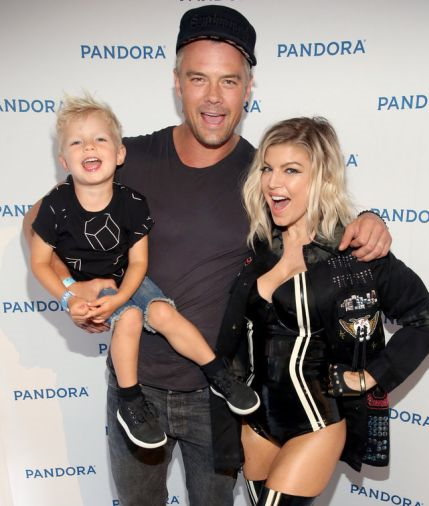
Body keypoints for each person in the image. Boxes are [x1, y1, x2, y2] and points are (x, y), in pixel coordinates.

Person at [23, 6, 392, 506]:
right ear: (177, 83)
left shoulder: (263, 174)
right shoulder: (125, 158)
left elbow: (320, 214)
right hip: (135, 389)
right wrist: (73, 288)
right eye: (198, 79)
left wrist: (368, 219)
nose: (214, 97)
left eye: (229, 81)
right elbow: (37, 221)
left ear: (248, 88)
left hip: (219, 394)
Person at [215, 117, 429, 505]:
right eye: (268, 168)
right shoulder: (259, 244)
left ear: (322, 178)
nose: (273, 182)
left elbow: (427, 320)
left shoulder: (355, 253)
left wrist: (370, 376)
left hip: (315, 424)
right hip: (254, 420)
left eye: (291, 170)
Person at [29, 94, 260, 450]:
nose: (89, 146)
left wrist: (122, 295)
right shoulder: (57, 206)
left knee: (164, 313)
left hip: (131, 280)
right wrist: (70, 295)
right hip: (92, 288)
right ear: (63, 161)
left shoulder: (133, 202)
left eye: (100, 139)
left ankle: (219, 375)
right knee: (131, 319)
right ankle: (130, 399)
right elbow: (40, 262)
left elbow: (138, 263)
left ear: (120, 154)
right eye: (77, 142)